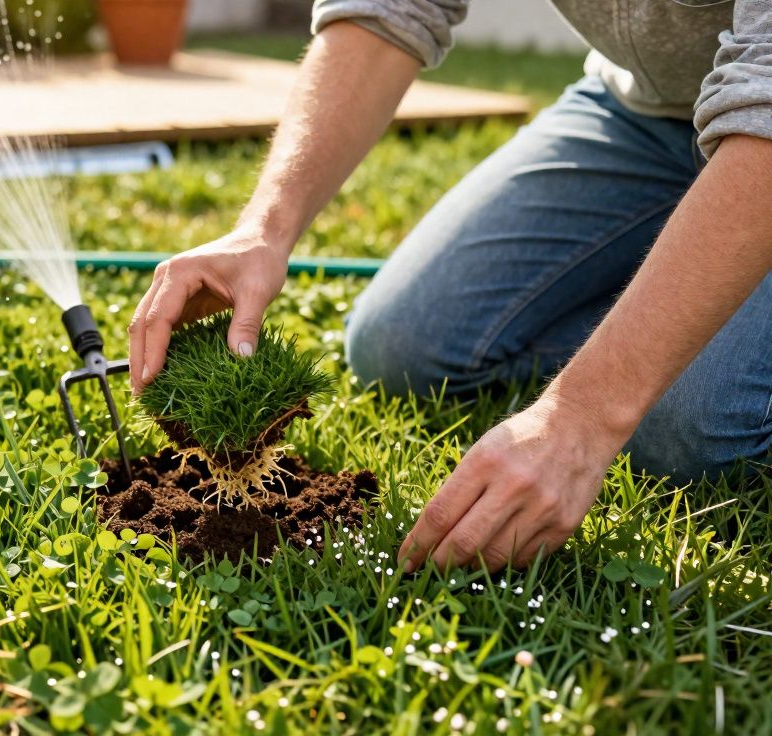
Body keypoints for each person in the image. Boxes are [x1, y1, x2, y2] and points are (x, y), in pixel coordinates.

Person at [126, 1, 772, 573]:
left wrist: (584, 412)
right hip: (641, 114)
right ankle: (704, 262)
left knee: (689, 433)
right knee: (403, 344)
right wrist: (264, 227)